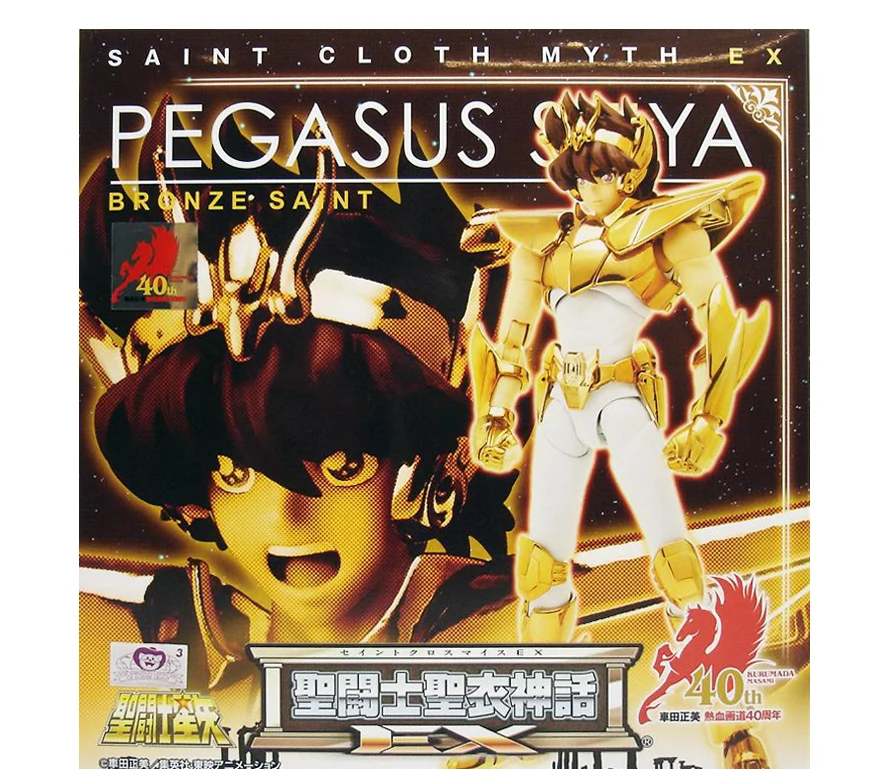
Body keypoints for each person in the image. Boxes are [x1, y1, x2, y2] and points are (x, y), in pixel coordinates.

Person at [80, 123, 517, 697]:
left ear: (424, 472)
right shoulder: (151, 642)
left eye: (343, 466)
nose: (286, 516)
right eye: (233, 474)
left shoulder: (516, 621)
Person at [465, 91, 770, 644]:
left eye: (599, 174)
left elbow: (718, 320)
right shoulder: (543, 242)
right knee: (539, 568)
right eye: (577, 174)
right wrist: (498, 413)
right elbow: (514, 338)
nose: (585, 187)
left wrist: (708, 418)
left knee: (675, 560)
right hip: (560, 408)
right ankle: (545, 681)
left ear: (629, 174)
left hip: (622, 402)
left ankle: (713, 683)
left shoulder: (667, 234)